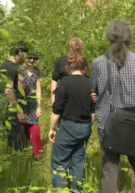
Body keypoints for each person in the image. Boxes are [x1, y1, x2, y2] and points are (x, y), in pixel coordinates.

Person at [91, 20, 135, 193]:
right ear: (129, 37)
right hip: (134, 123)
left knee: (110, 173)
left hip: (108, 125)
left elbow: (95, 91)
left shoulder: (98, 63)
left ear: (109, 37)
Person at [49, 51, 95, 192]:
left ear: (69, 67)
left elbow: (57, 109)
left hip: (68, 126)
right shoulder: (91, 84)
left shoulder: (65, 83)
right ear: (85, 68)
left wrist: (52, 128)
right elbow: (94, 112)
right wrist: (88, 126)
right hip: (85, 127)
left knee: (59, 161)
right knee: (78, 162)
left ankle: (61, 190)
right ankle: (76, 190)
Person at [0, 41, 28, 152]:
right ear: (20, 52)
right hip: (12, 108)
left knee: (11, 137)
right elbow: (8, 90)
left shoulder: (4, 64)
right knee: (16, 138)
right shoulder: (11, 67)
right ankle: (16, 163)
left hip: (6, 106)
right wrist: (18, 111)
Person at [50, 38, 87, 105]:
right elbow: (54, 80)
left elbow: (86, 78)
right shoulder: (61, 61)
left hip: (80, 95)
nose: (75, 49)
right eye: (74, 47)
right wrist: (53, 96)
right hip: (63, 95)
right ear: (70, 47)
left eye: (77, 47)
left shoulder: (83, 61)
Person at [20, 49, 42, 156]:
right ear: (25, 57)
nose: (32, 60)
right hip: (21, 104)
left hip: (32, 105)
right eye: (30, 57)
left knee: (35, 129)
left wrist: (39, 106)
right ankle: (22, 153)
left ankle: (36, 154)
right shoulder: (20, 70)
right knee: (22, 130)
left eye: (34, 58)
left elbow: (38, 89)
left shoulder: (37, 70)